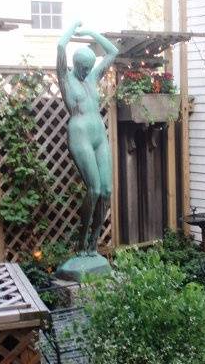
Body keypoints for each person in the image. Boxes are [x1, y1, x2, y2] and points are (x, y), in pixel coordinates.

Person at [56, 21, 118, 255]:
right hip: (80, 133)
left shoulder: (92, 78)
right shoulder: (65, 79)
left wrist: (92, 33)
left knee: (107, 191)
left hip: (99, 135)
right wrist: (72, 28)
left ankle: (94, 243)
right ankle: (80, 243)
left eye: (89, 67)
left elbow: (113, 52)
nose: (86, 71)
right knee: (93, 189)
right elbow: (61, 47)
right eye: (83, 68)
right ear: (75, 65)